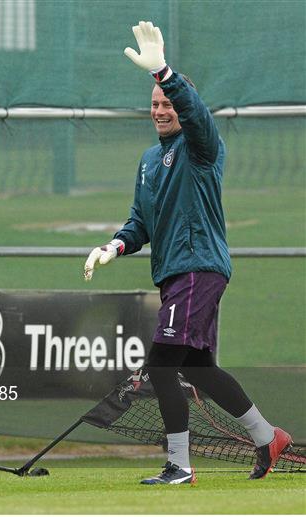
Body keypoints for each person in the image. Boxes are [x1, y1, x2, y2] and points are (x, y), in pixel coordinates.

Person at [84, 22, 292, 485]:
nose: (161, 109)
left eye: (168, 103)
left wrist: (163, 71)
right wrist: (114, 245)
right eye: (155, 104)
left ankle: (179, 466)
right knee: (199, 368)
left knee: (161, 367)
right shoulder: (147, 160)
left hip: (199, 267)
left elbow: (196, 113)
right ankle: (267, 437)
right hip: (177, 273)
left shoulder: (201, 147)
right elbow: (140, 221)